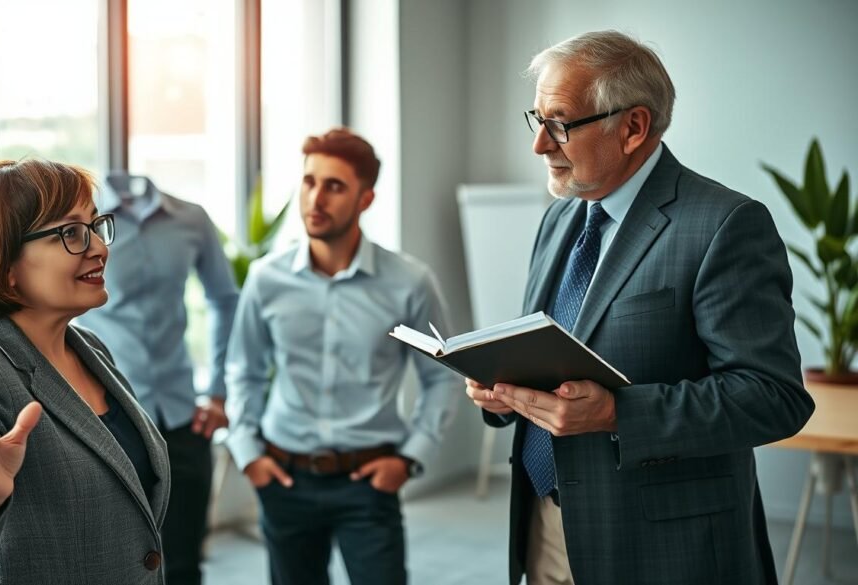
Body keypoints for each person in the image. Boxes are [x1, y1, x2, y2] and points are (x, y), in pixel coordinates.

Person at [464, 31, 815, 585]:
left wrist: (614, 413)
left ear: (633, 127)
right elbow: (558, 350)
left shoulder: (725, 225)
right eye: (536, 120)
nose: (540, 146)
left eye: (560, 123)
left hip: (665, 547)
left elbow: (774, 398)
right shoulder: (561, 215)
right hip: (546, 528)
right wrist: (503, 389)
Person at [0, 159, 170, 585]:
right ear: (6, 268)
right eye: (71, 233)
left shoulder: (90, 349)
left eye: (95, 226)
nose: (99, 248)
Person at [224, 127, 458, 585]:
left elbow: (442, 377)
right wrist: (248, 451)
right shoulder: (266, 278)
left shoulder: (409, 281)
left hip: (368, 483)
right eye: (310, 181)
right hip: (284, 478)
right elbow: (243, 369)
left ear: (365, 199)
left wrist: (410, 457)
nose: (315, 198)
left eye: (334, 186)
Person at [77, 172, 239, 585]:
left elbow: (224, 298)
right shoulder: (85, 228)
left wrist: (217, 392)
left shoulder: (191, 219)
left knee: (184, 563)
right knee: (117, 564)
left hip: (182, 417)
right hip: (111, 418)